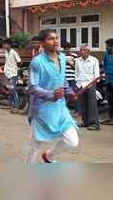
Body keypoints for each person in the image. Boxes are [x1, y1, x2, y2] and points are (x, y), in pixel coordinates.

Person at [25, 29, 78, 163]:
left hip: (60, 109)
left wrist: (69, 91)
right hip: (41, 110)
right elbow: (32, 87)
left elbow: (61, 78)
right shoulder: (37, 62)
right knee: (34, 147)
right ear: (42, 43)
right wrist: (51, 94)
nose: (55, 41)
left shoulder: (61, 58)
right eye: (51, 39)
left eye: (56, 38)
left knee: (72, 141)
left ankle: (49, 156)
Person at [75, 44, 101, 131]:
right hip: (80, 85)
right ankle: (85, 122)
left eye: (83, 50)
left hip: (90, 84)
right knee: (82, 104)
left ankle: (94, 123)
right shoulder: (78, 61)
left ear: (88, 51)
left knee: (92, 105)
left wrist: (94, 84)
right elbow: (77, 72)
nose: (81, 52)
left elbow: (97, 74)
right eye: (80, 50)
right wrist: (77, 82)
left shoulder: (94, 60)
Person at [3, 39, 22, 113]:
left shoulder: (14, 53)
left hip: (13, 74)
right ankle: (9, 105)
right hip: (7, 73)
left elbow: (20, 62)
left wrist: (15, 67)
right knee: (9, 90)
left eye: (6, 44)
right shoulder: (6, 53)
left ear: (9, 45)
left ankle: (16, 107)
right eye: (4, 44)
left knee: (13, 91)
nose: (4, 46)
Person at [62, 42, 79, 116]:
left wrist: (69, 63)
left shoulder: (74, 56)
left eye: (68, 49)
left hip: (72, 77)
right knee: (64, 95)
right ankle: (65, 110)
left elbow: (77, 67)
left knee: (74, 94)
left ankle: (77, 110)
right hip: (63, 78)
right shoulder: (61, 56)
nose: (67, 50)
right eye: (65, 49)